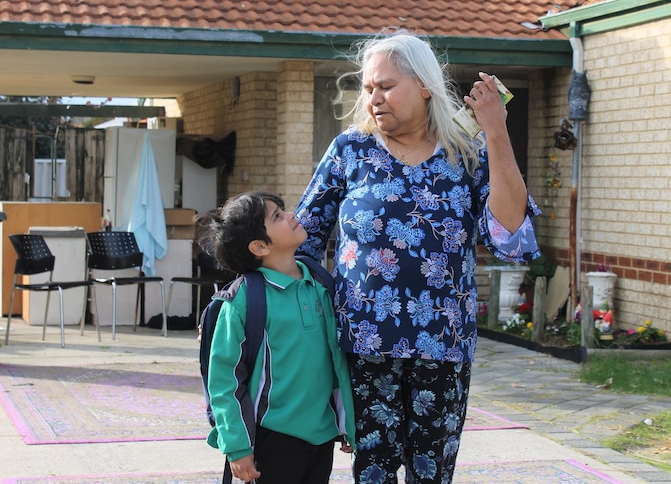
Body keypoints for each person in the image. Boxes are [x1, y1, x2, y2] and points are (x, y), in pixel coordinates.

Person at [294, 30, 542, 483]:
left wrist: (496, 130)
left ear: (425, 85)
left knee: (432, 475)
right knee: (372, 473)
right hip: (363, 346)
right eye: (368, 88)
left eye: (386, 86)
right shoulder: (351, 150)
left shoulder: (466, 152)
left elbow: (509, 236)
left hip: (442, 347)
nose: (374, 98)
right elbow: (300, 241)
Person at [197, 191, 355, 484]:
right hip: (271, 439)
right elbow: (224, 380)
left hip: (321, 435)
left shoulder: (319, 283)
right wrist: (237, 446)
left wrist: (347, 423)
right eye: (277, 216)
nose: (292, 215)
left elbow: (336, 364)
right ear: (259, 246)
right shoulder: (244, 301)